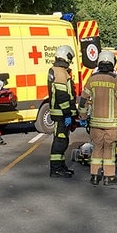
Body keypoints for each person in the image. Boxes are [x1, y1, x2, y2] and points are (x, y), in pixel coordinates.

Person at [80, 50, 117, 185]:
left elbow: (83, 100)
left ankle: (95, 176)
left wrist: (83, 116)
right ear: (112, 63)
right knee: (109, 151)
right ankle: (109, 178)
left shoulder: (92, 79)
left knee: (97, 149)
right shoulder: (116, 80)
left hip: (95, 124)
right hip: (111, 124)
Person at [48, 45, 78, 178]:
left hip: (61, 113)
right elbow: (62, 95)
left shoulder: (59, 70)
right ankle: (56, 169)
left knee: (63, 140)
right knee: (60, 141)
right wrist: (67, 113)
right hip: (61, 113)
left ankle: (60, 166)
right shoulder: (60, 72)